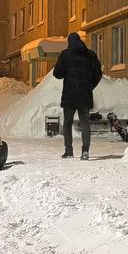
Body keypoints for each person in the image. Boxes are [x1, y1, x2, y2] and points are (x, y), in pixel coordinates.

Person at [52, 32, 102, 160]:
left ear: (69, 42)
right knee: (85, 122)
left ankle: (69, 151)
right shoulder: (90, 55)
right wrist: (90, 86)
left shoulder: (65, 55)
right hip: (85, 95)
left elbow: (57, 74)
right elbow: (98, 73)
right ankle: (85, 151)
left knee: (67, 123)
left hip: (69, 95)